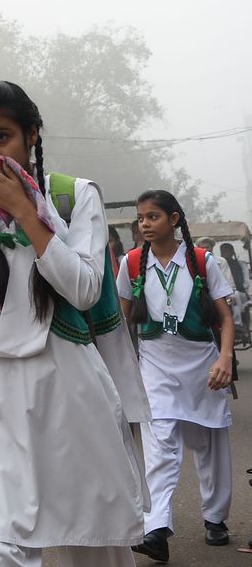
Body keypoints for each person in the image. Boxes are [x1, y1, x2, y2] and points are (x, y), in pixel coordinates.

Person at [0, 81, 144, 566]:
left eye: (1, 137)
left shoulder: (75, 197)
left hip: (69, 390)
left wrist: (28, 213)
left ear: (33, 135)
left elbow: (86, 290)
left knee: (93, 540)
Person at [116, 191, 236, 561]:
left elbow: (225, 318)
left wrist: (226, 359)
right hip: (155, 367)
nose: (145, 225)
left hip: (203, 365)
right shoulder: (132, 263)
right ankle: (156, 530)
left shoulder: (201, 262)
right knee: (160, 446)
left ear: (174, 219)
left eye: (153, 217)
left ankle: (215, 518)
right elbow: (120, 322)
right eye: (141, 218)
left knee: (209, 446)